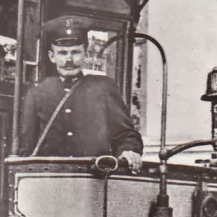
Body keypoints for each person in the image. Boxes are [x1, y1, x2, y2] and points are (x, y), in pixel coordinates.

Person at [19, 16, 143, 171]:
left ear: (86, 53)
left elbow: (126, 135)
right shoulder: (38, 93)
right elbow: (27, 148)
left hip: (93, 179)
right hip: (51, 181)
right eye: (62, 53)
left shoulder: (104, 88)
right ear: (52, 57)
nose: (69, 60)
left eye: (75, 52)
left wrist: (129, 151)